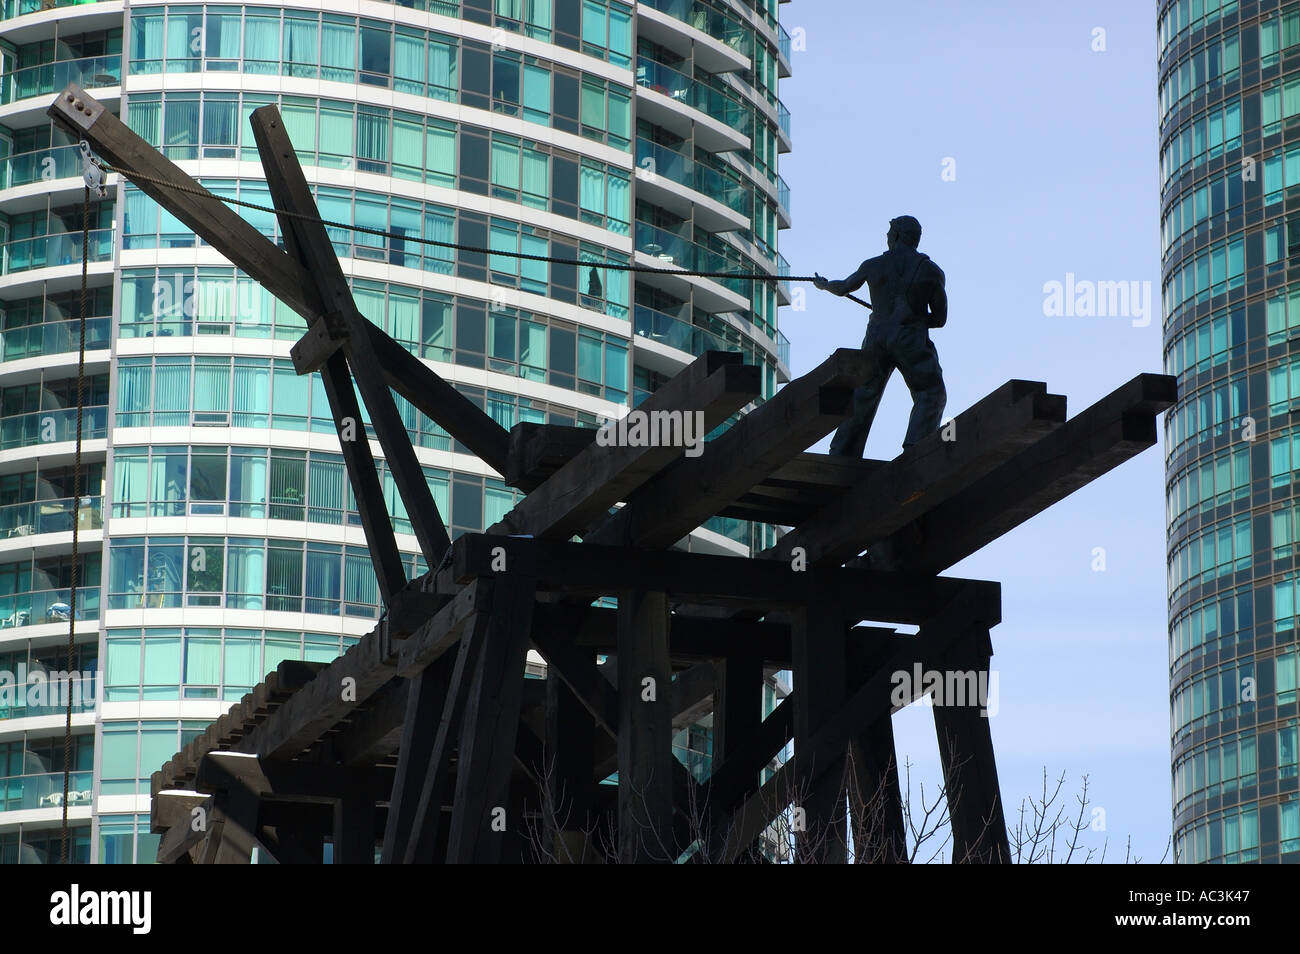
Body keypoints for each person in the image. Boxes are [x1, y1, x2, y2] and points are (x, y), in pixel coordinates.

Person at [814, 215, 948, 456]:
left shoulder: (872, 265)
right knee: (930, 391)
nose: (886, 238)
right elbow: (940, 319)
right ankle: (917, 449)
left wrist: (823, 285)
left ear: (896, 235)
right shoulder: (931, 271)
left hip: (876, 337)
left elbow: (843, 287)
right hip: (910, 338)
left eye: (888, 234)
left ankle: (842, 453)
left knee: (864, 393)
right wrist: (914, 320)